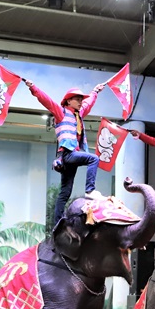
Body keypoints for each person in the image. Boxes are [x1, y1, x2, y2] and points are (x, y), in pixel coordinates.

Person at [25, 80, 107, 224]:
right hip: (67, 154)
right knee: (93, 159)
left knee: (65, 192)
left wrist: (95, 91)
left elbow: (88, 104)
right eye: (78, 99)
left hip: (72, 155)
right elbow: (47, 101)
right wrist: (33, 88)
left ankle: (57, 225)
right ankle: (90, 190)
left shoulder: (78, 115)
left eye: (81, 100)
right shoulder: (61, 112)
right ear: (69, 101)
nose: (81, 102)